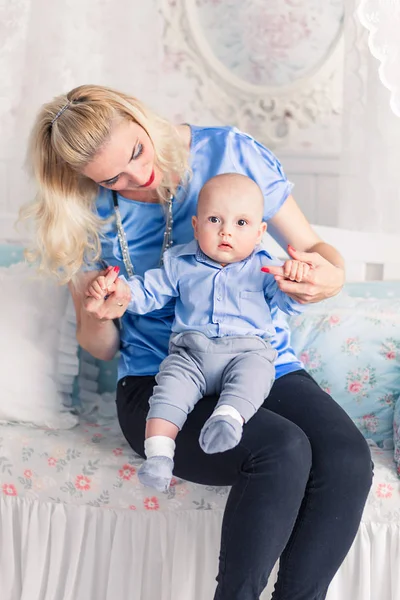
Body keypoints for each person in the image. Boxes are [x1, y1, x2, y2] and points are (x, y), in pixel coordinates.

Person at [22, 84, 373, 600]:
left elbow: (317, 249)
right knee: (281, 449)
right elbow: (100, 346)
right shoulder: (82, 208)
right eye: (113, 179)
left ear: (139, 116)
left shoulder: (230, 153)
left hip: (259, 362)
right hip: (160, 380)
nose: (138, 178)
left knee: (346, 459)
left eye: (137, 153)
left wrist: (329, 278)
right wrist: (100, 313)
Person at [87, 173, 306, 492]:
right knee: (168, 390)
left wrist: (297, 283)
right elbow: (149, 290)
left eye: (241, 223)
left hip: (245, 354)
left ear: (260, 232)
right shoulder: (179, 262)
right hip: (191, 355)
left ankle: (229, 418)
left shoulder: (265, 268)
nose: (226, 231)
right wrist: (121, 290)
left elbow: (289, 302)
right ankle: (159, 457)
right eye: (214, 219)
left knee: (257, 375)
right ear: (195, 225)